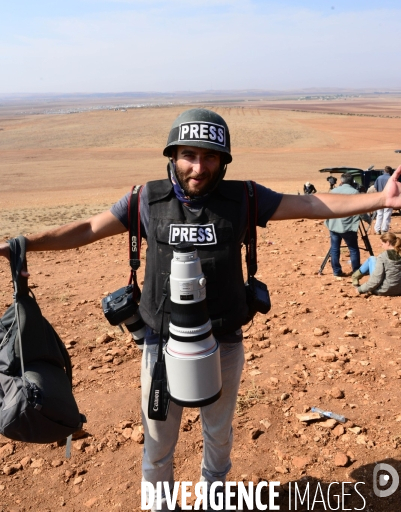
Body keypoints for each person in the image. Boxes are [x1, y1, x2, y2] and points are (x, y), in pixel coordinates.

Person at [2, 108, 401, 511]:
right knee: (157, 445)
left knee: (219, 436)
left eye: (210, 156)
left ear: (223, 161)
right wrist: (23, 244)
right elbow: (88, 229)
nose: (198, 167)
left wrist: (381, 197)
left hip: (223, 342)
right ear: (172, 156)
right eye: (188, 155)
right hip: (159, 346)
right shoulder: (145, 198)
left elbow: (312, 204)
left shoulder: (243, 198)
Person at [324, 173, 366, 277]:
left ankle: (336, 271)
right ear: (352, 182)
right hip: (348, 226)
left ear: (341, 181)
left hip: (334, 225)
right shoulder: (355, 192)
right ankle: (356, 271)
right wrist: (368, 219)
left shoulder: (333, 192)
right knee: (353, 249)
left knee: (334, 248)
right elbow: (361, 210)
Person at [374, 166, 393, 234]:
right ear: (390, 172)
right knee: (387, 214)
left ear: (384, 171)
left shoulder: (379, 178)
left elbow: (375, 188)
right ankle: (384, 229)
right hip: (388, 198)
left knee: (379, 214)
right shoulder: (391, 178)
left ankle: (377, 229)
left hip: (380, 198)